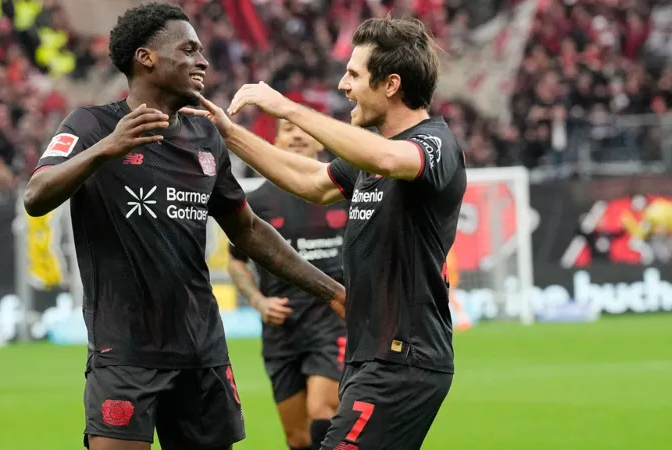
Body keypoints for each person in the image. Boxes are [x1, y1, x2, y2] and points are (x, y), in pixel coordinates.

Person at [22, 3, 345, 450]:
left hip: (201, 353)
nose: (203, 61)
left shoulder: (205, 136)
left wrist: (333, 291)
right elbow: (36, 196)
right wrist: (106, 148)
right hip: (125, 354)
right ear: (146, 58)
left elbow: (248, 231)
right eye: (189, 50)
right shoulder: (92, 125)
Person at [182, 16, 466, 450]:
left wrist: (288, 108)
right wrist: (229, 135)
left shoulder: (434, 143)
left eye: (354, 74)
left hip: (405, 357)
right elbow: (312, 181)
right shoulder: (369, 158)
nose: (342, 85)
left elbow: (391, 160)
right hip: (369, 354)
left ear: (391, 84)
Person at [227, 119, 348, 450]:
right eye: (287, 129)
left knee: (322, 410)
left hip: (332, 323)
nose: (296, 134)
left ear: (318, 140)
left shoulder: (343, 193)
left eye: (303, 128)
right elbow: (236, 262)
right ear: (276, 141)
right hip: (282, 333)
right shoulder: (258, 202)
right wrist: (258, 301)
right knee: (298, 438)